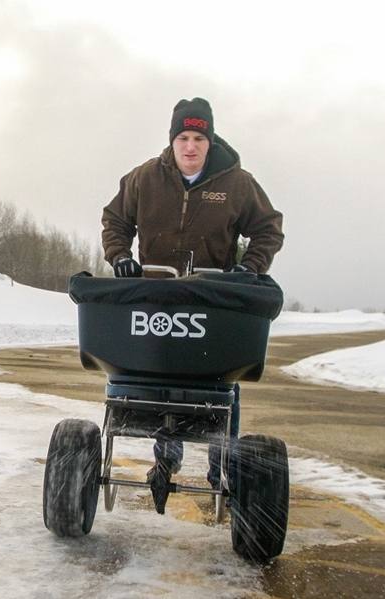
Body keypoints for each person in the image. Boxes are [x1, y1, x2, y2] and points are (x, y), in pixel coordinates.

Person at [101, 97, 284, 514]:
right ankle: (165, 460)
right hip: (154, 298)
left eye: (198, 137)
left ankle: (226, 468)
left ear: (209, 140)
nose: (190, 146)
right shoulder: (144, 178)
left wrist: (248, 269)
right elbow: (114, 220)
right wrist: (120, 256)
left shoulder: (237, 183)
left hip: (212, 302)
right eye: (183, 137)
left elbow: (268, 229)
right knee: (160, 378)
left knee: (218, 385)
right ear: (172, 140)